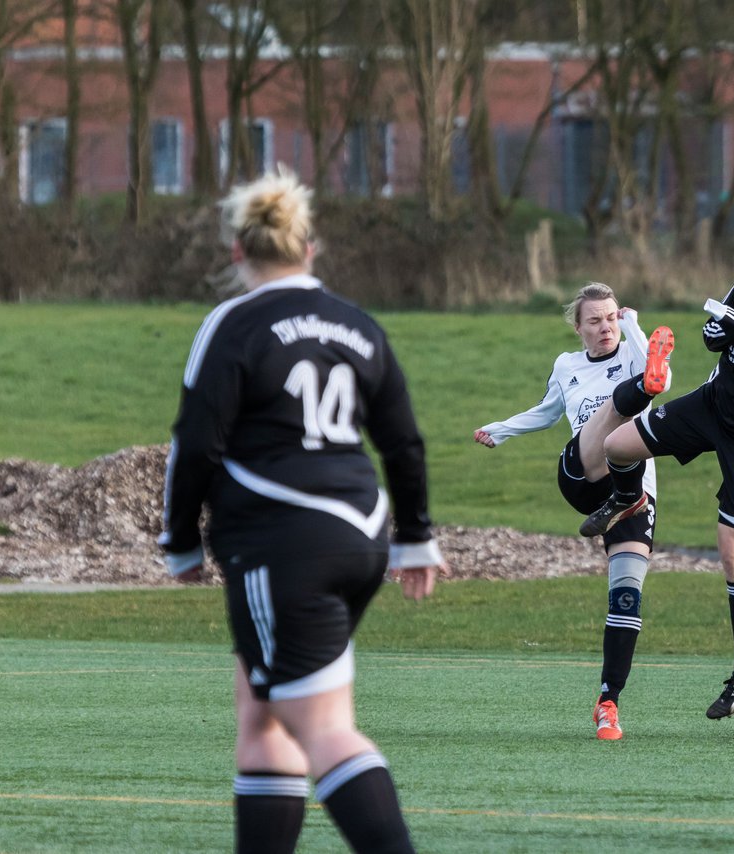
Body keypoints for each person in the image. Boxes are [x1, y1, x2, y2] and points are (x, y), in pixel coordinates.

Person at [159, 166, 446, 853]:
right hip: (360, 533)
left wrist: (179, 542)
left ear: (238, 251)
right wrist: (414, 539)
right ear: (311, 248)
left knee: (320, 725)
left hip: (282, 542)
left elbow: (195, 443)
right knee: (262, 714)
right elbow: (402, 440)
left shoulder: (231, 323)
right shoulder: (357, 324)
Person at [580, 223, 734, 722]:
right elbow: (712, 332)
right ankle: (629, 498)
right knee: (617, 446)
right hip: (714, 404)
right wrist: (730, 327)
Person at [474, 282, 674, 740]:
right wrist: (500, 430)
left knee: (626, 596)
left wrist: (637, 327)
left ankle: (608, 703)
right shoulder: (567, 365)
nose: (605, 327)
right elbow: (546, 413)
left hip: (635, 494)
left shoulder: (633, 349)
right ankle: (631, 428)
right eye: (595, 321)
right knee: (612, 423)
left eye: (611, 318)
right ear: (578, 328)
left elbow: (658, 373)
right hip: (582, 477)